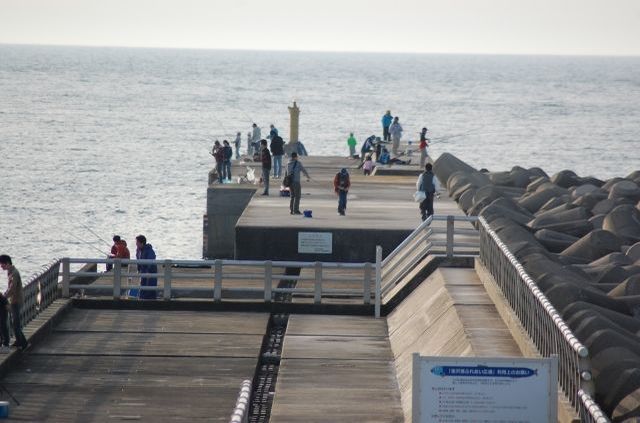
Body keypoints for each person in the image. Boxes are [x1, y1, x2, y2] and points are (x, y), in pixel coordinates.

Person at [0, 255, 29, 351]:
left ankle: (23, 344)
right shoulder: (11, 272)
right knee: (15, 323)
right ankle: (20, 341)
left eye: (2, 264)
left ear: (7, 263)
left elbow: (12, 288)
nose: (1, 266)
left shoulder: (14, 274)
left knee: (15, 323)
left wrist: (4, 297)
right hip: (14, 300)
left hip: (16, 301)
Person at [135, 235, 157, 300]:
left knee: (150, 287)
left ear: (141, 243)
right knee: (142, 286)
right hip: (143, 271)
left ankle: (151, 301)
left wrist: (148, 271)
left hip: (150, 271)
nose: (136, 244)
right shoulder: (138, 250)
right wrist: (138, 269)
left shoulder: (149, 250)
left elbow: (151, 260)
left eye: (137, 242)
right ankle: (142, 298)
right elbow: (138, 260)